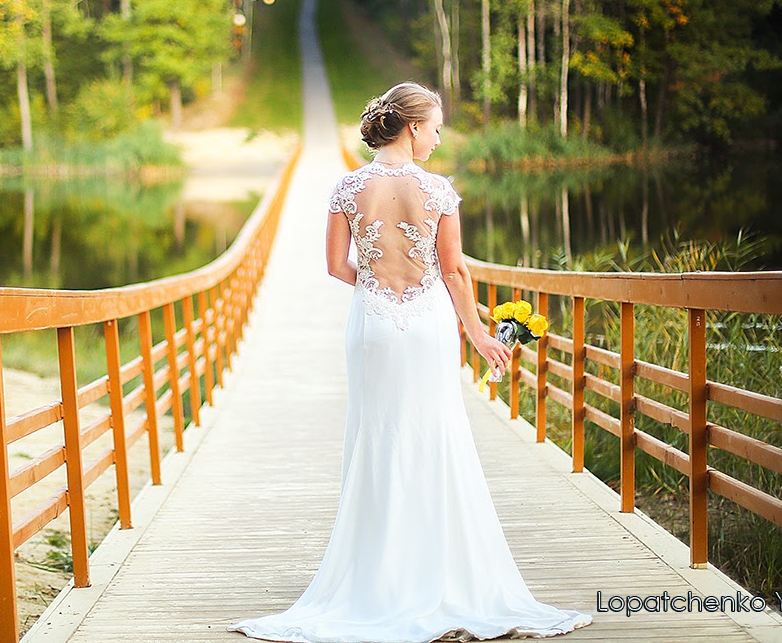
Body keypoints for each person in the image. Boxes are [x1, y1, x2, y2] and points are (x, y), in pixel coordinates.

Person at [231, 83, 591, 642]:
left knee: (376, 437)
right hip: (426, 326)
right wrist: (478, 334)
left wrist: (377, 286)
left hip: (373, 324)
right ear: (414, 128)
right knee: (436, 434)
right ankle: (440, 574)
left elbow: (334, 265)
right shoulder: (438, 190)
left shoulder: (347, 186)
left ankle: (376, 578)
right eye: (438, 126)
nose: (440, 135)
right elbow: (454, 273)